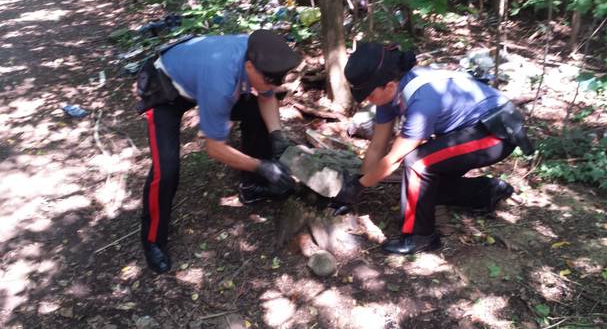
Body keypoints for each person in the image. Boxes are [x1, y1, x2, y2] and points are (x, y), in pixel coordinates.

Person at [335, 42, 533, 255]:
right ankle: (487, 192)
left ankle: (421, 236)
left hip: (495, 132)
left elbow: (395, 158)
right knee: (422, 191)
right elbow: (377, 146)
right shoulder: (389, 97)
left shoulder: (422, 101)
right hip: (470, 130)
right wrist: (357, 186)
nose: (366, 100)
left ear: (389, 86)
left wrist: (355, 187)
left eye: (369, 94)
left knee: (418, 163)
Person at [137, 29, 301, 273]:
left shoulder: (260, 54)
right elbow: (214, 148)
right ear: (249, 67)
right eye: (270, 79)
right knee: (166, 169)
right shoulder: (220, 82)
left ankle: (251, 187)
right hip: (163, 87)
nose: (275, 85)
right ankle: (152, 240)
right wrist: (262, 165)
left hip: (198, 78)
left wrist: (277, 137)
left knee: (256, 113)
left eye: (279, 79)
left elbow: (267, 97)